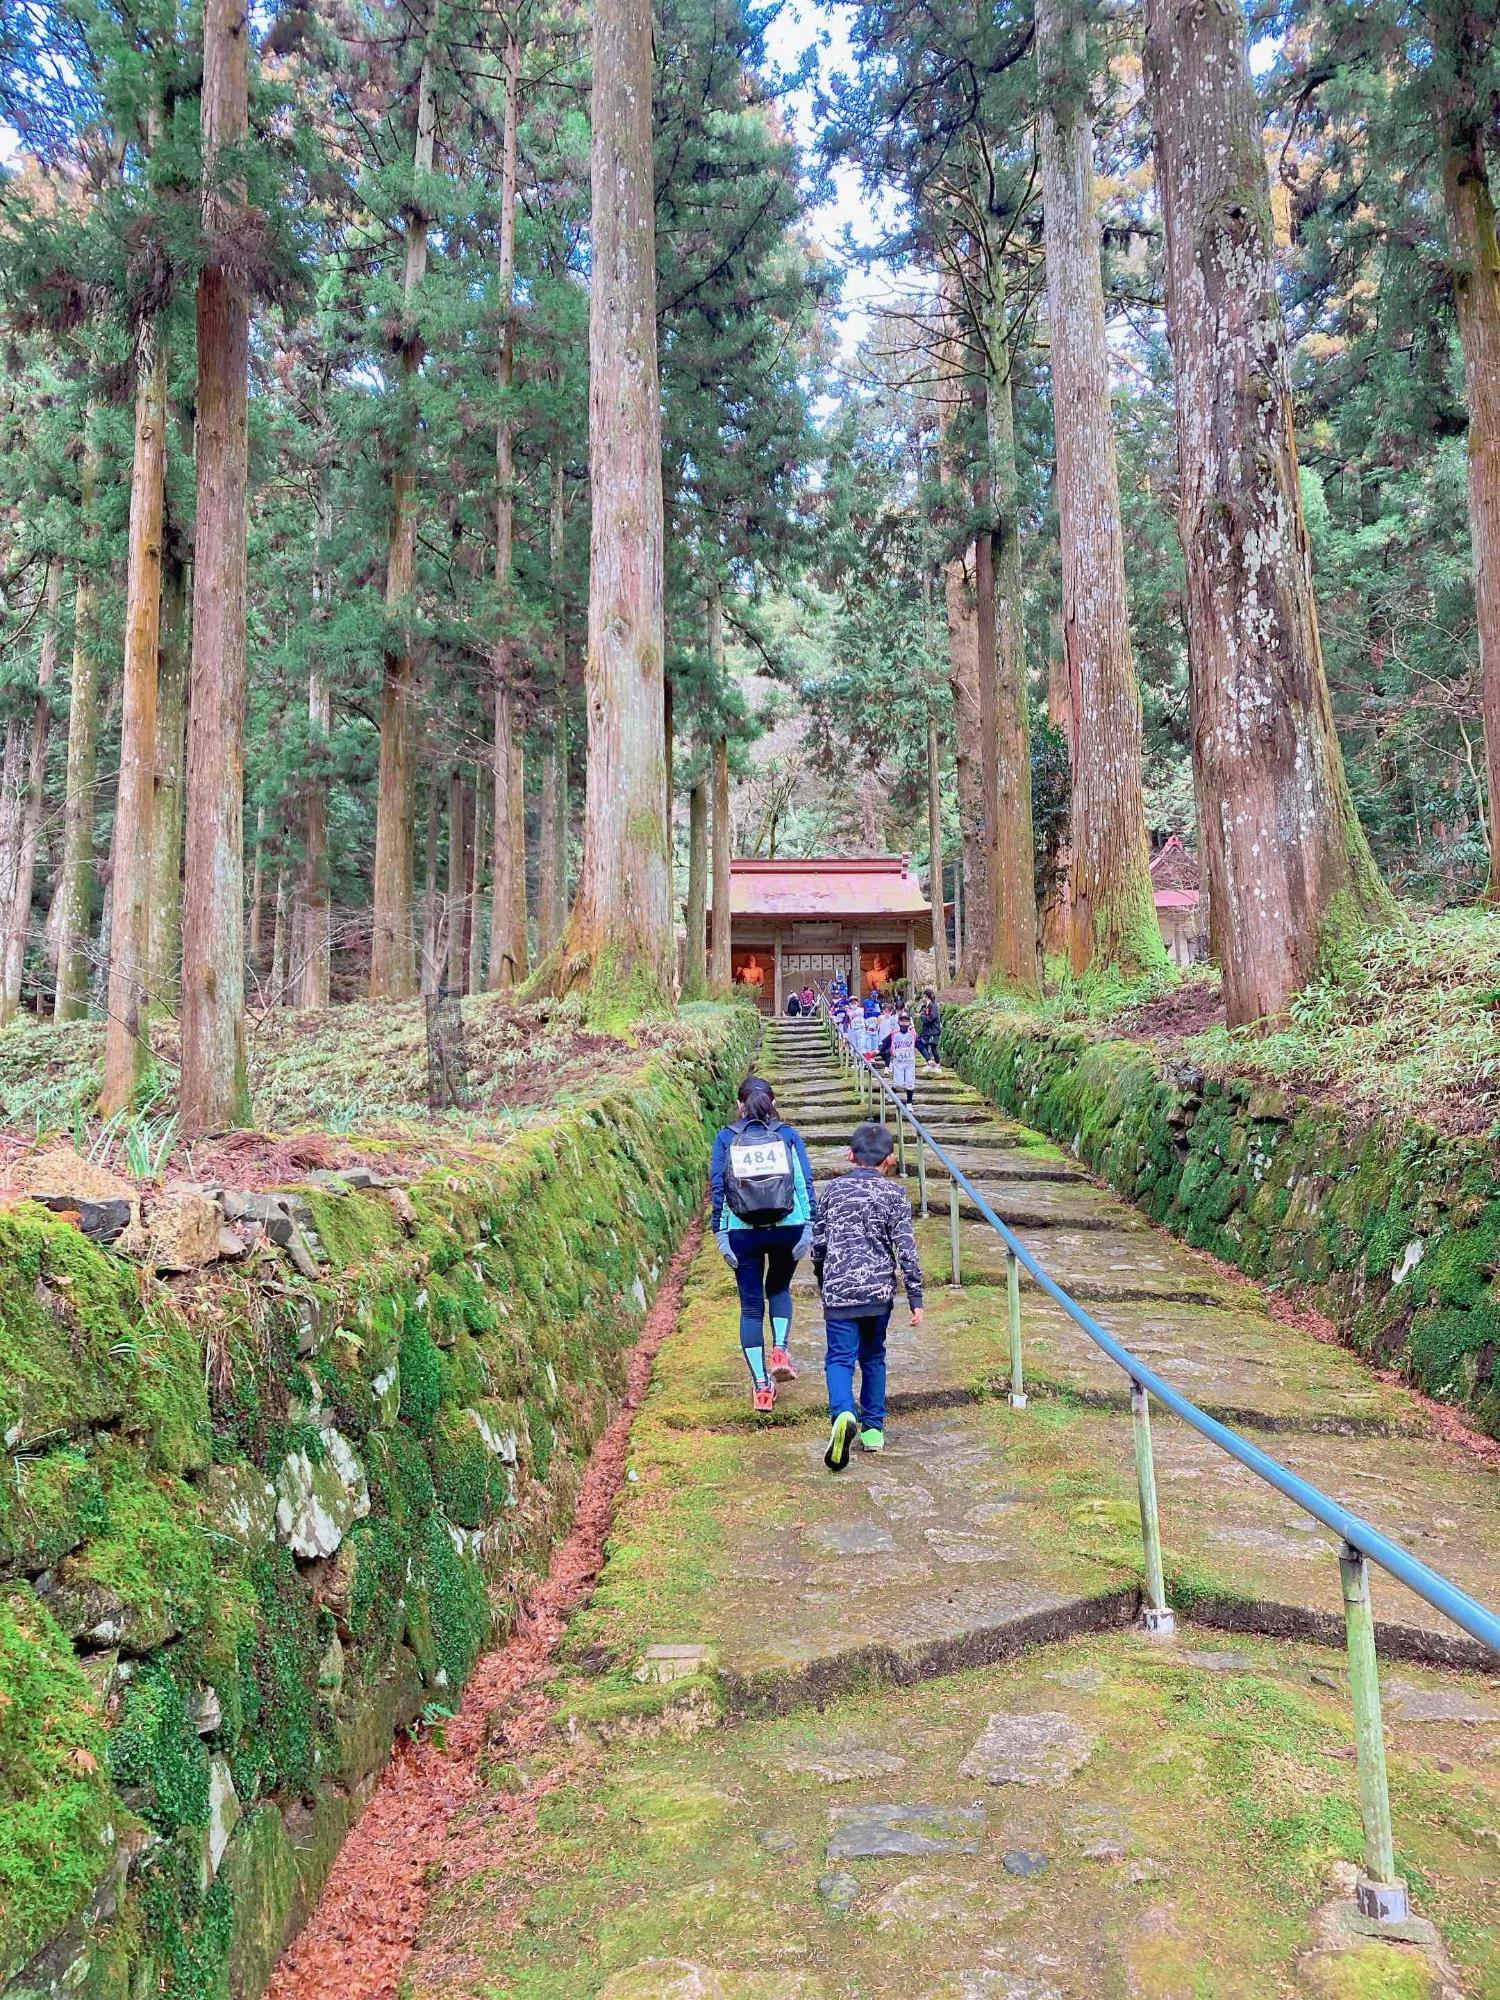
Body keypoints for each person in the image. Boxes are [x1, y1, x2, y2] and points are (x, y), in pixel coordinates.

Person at [811, 1121, 924, 1468]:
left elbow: (818, 1242)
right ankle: (873, 1428)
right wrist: (916, 1297)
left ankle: (844, 1413)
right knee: (873, 1356)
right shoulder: (894, 1194)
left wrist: (823, 1278)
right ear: (890, 1159)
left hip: (840, 1290)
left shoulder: (832, 1191)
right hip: (878, 1292)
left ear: (850, 1155)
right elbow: (905, 1247)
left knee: (840, 1359)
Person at [710, 1076, 817, 1414]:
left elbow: (718, 1186)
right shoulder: (787, 1135)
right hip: (788, 1226)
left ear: (740, 1104)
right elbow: (803, 1180)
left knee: (751, 1307)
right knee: (780, 1288)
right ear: (773, 1103)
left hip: (743, 1232)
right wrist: (809, 1225)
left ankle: (761, 1387)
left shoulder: (726, 1138)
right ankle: (781, 1350)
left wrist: (720, 1232)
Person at [887, 1006, 918, 1104]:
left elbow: (921, 1046)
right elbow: (884, 1044)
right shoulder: (894, 1034)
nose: (904, 1023)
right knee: (898, 1083)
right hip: (898, 1063)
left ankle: (909, 1103)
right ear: (898, 1022)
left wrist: (928, 1058)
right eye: (902, 1021)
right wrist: (876, 1051)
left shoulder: (913, 1035)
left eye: (906, 1021)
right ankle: (892, 1092)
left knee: (910, 1083)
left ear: (909, 1023)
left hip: (910, 1062)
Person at [917, 988, 942, 1071]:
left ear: (925, 996)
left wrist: (922, 1016)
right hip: (927, 1030)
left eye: (923, 996)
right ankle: (930, 1063)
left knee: (933, 1047)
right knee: (925, 1045)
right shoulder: (926, 1006)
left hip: (933, 1030)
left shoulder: (933, 1006)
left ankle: (938, 1064)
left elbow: (932, 1017)